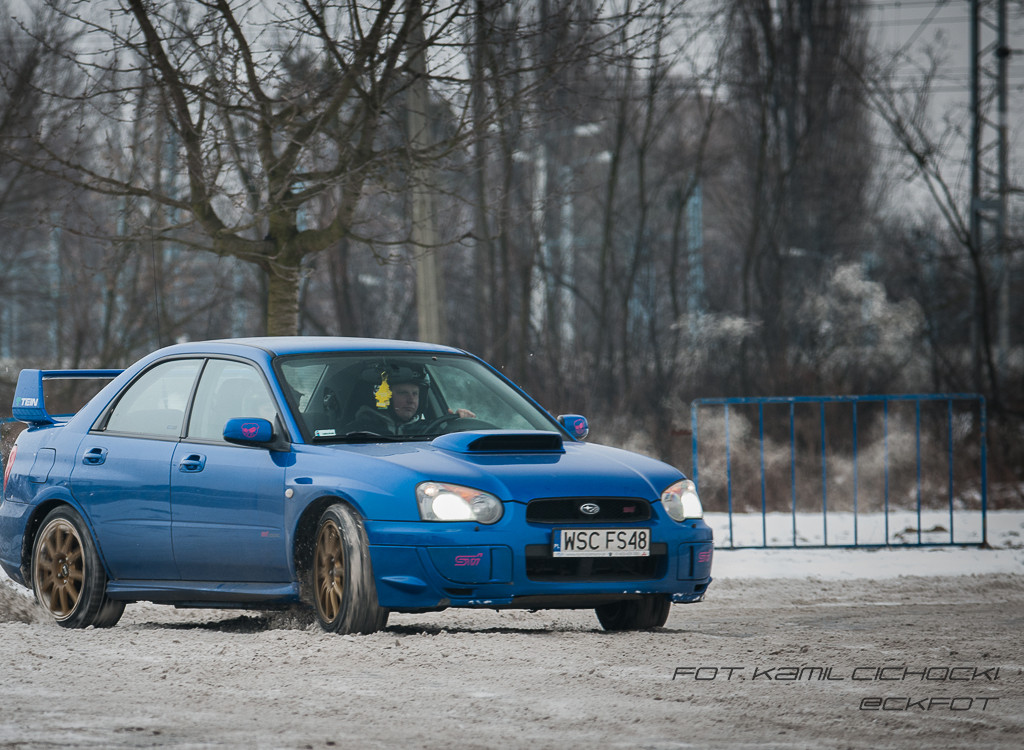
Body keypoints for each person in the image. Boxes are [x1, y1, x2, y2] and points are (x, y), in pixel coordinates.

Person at [350, 364, 474, 436]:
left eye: (415, 394)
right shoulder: (357, 432)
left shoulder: (431, 430)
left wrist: (460, 425)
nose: (411, 400)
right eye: (403, 393)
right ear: (385, 396)